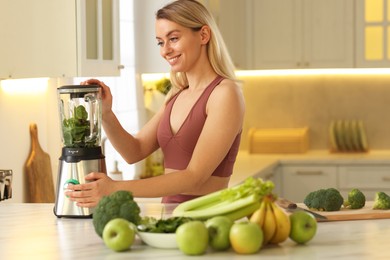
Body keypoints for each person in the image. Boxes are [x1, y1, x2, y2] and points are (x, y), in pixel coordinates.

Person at [66, 0, 245, 207]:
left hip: (208, 219)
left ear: (203, 35)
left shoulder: (225, 93)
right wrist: (105, 113)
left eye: (174, 39)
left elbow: (195, 176)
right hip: (169, 216)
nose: (165, 50)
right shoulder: (177, 95)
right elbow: (134, 151)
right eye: (160, 42)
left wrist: (115, 187)